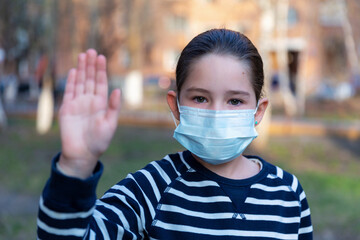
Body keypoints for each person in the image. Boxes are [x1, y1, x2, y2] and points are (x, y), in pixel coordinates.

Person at [37, 29, 313, 240]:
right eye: (201, 98)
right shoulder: (151, 189)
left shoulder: (288, 193)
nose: (216, 114)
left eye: (235, 101)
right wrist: (76, 165)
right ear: (176, 106)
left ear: (259, 110)